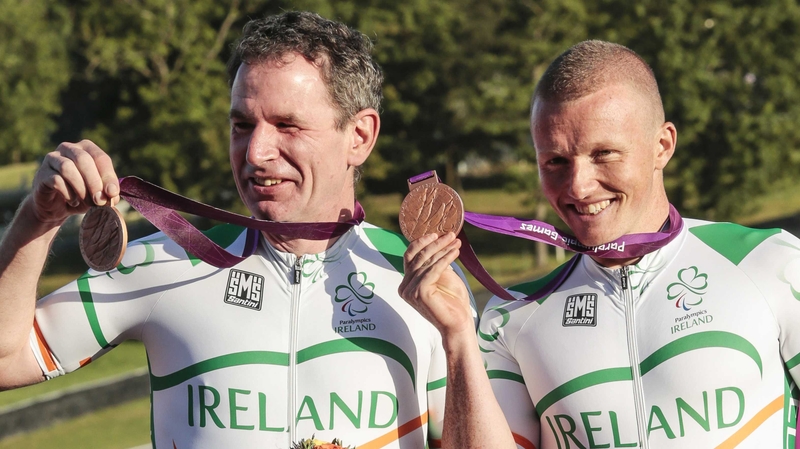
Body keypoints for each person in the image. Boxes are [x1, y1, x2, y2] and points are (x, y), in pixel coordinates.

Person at [0, 11, 476, 448]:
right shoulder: (161, 264)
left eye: (287, 125)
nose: (255, 152)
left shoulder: (423, 282)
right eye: (242, 125)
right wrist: (37, 220)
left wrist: (460, 341)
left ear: (359, 136)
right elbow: (6, 359)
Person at [399, 40, 800, 448]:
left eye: (604, 154)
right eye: (555, 161)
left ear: (662, 146)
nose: (578, 186)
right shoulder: (512, 315)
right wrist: (459, 338)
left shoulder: (768, 264)